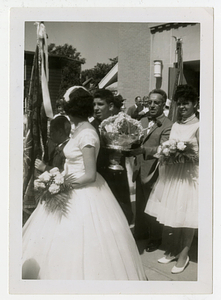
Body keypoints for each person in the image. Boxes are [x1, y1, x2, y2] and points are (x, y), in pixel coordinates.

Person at [22, 86, 146, 280]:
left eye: (69, 114)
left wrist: (62, 183)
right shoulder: (78, 129)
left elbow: (90, 175)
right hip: (69, 183)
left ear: (75, 112)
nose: (68, 118)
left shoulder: (88, 135)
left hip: (83, 189)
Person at [145, 85, 199, 274]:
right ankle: (173, 249)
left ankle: (183, 255)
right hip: (174, 175)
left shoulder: (199, 126)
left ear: (195, 104)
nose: (183, 107)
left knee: (187, 216)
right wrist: (168, 152)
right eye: (180, 103)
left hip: (189, 177)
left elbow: (206, 156)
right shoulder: (175, 125)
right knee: (173, 213)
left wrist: (184, 153)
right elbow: (166, 147)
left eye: (187, 103)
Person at [130, 89, 173, 250]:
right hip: (139, 167)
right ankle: (141, 234)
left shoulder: (168, 125)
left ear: (163, 104)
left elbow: (164, 148)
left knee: (152, 206)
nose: (153, 105)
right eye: (150, 102)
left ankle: (156, 237)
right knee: (140, 204)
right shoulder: (142, 120)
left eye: (157, 102)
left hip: (154, 171)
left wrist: (144, 150)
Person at [91, 89, 133, 224]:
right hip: (100, 176)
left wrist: (123, 150)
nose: (96, 108)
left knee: (122, 212)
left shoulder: (121, 124)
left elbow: (131, 146)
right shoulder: (91, 127)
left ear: (110, 106)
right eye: (94, 104)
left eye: (100, 104)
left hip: (118, 176)